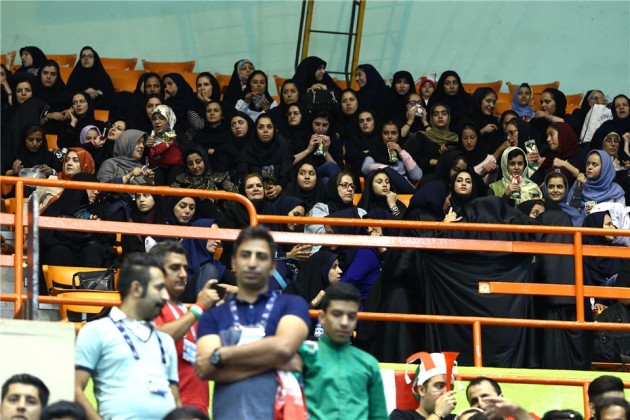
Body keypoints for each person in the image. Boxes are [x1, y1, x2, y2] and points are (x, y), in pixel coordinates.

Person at [194, 226, 310, 420]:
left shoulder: (292, 304)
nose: (253, 263)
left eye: (261, 257)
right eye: (245, 255)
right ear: (234, 262)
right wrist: (277, 362)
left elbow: (283, 347)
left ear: (273, 265)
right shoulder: (213, 315)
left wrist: (223, 355)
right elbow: (205, 367)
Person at [75, 253, 181, 419]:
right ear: (136, 288)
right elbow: (74, 389)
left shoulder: (165, 340)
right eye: (159, 288)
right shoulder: (96, 331)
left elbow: (175, 400)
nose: (166, 297)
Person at [150, 241, 222, 416]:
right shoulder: (151, 306)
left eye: (184, 268)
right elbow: (158, 338)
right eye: (175, 268)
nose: (183, 274)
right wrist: (199, 307)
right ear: (156, 271)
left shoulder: (185, 312)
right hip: (170, 411)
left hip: (198, 409)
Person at [300, 282, 388, 420]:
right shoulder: (303, 356)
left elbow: (379, 416)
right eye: (337, 314)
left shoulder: (369, 364)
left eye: (351, 316)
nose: (345, 322)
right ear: (322, 317)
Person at [389, 352, 458, 420]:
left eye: (451, 388)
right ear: (422, 390)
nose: (446, 393)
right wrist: (438, 414)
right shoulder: (399, 416)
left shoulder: (457, 418)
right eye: (439, 386)